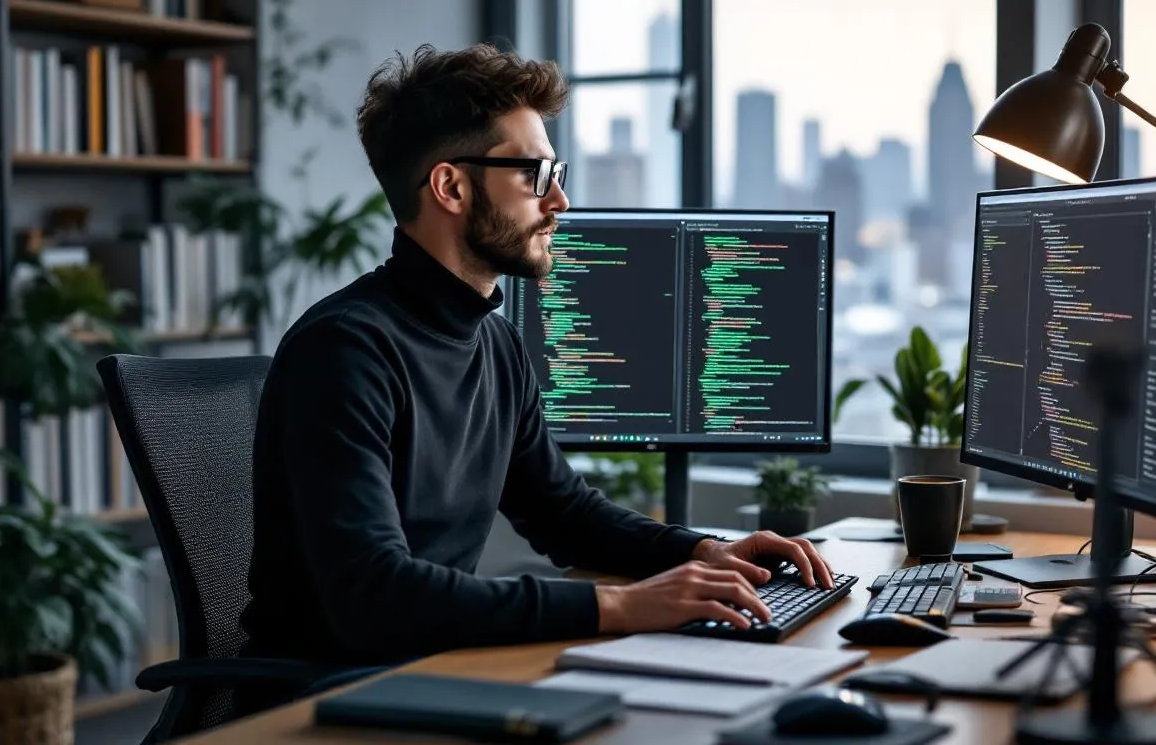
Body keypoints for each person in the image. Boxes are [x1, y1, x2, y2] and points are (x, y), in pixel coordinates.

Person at [240, 43, 835, 674]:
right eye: (535, 176)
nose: (559, 204)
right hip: (328, 700)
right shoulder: (344, 352)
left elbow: (566, 516)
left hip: (436, 671)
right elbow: (375, 595)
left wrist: (705, 552)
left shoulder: (494, 344)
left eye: (556, 176)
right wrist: (621, 607)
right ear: (451, 186)